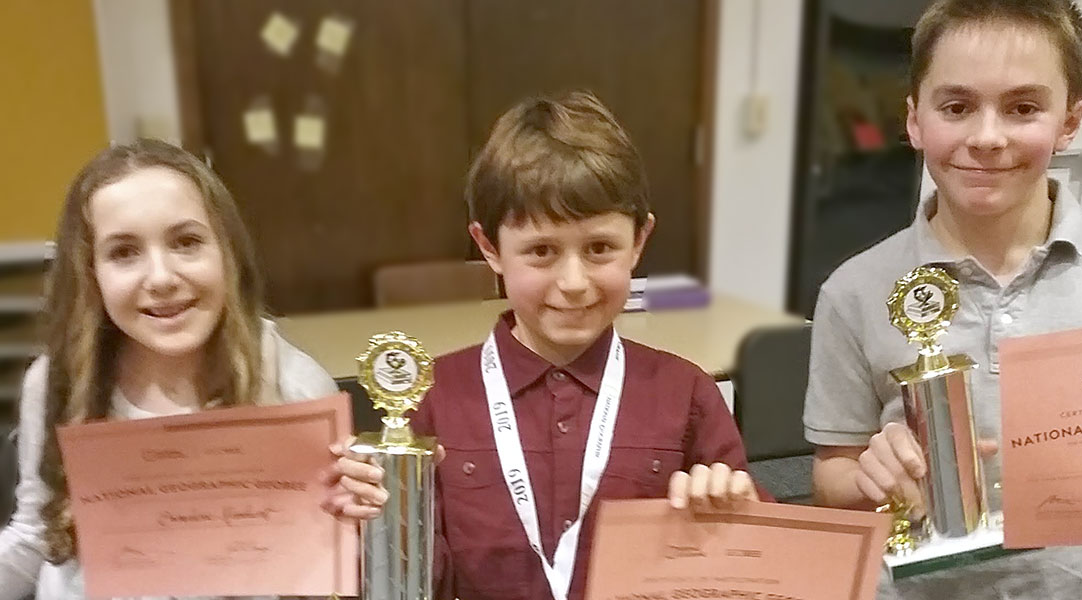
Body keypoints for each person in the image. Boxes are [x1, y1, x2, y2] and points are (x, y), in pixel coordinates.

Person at [803, 1, 1082, 598]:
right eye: (957, 107)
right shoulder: (853, 291)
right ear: (914, 120)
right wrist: (871, 476)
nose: (987, 138)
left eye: (1023, 108)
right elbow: (830, 477)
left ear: (1070, 120)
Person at [324, 90, 762, 600]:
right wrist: (375, 522)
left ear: (639, 241)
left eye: (599, 248)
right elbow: (423, 582)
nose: (573, 282)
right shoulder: (435, 399)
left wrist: (738, 510)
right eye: (541, 251)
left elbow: (749, 563)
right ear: (489, 248)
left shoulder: (687, 392)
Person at [0, 139, 338, 599]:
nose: (160, 278)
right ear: (90, 272)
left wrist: (351, 525)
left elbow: (313, 575)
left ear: (227, 252)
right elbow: (35, 534)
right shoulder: (58, 379)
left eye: (187, 242)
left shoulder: (293, 385)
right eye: (123, 252)